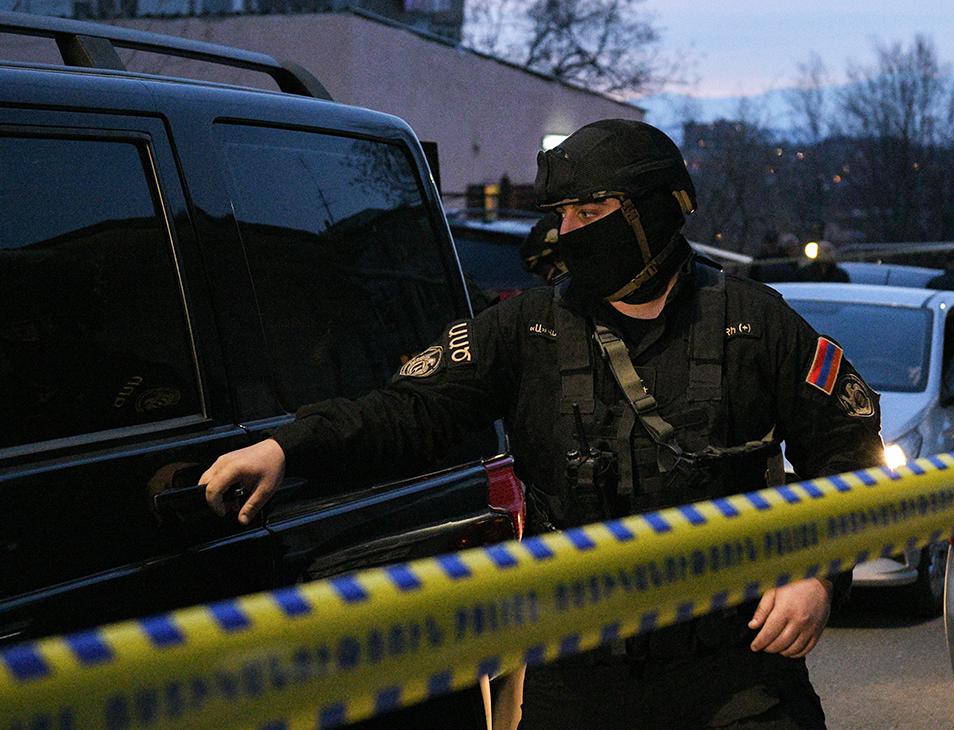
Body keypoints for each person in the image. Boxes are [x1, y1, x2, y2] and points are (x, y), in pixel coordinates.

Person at [201, 119, 884, 729]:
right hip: (581, 669)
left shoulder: (755, 324)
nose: (570, 231)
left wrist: (818, 576)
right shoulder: (525, 330)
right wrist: (289, 445)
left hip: (738, 670)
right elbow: (410, 410)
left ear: (650, 212)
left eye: (592, 210)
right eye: (563, 214)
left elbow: (850, 454)